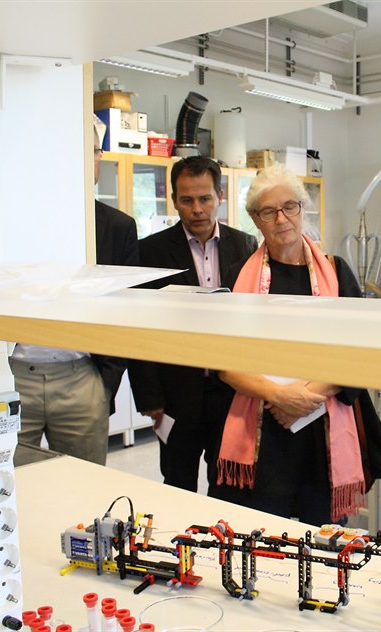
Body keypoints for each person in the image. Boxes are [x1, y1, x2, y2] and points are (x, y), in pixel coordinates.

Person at [212, 165, 365, 526]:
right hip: (263, 435)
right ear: (255, 219)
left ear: (302, 209)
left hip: (321, 433)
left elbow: (360, 355)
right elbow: (224, 364)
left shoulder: (337, 272)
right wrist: (279, 396)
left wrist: (305, 396)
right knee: (263, 536)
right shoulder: (237, 276)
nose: (281, 219)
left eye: (289, 207)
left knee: (323, 540)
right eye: (269, 211)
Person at [10, 115, 138, 465]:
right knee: (6, 485)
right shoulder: (10, 223)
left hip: (82, 376)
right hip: (13, 374)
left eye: (93, 151)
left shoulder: (118, 228)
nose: (86, 160)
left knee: (84, 484)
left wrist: (105, 383)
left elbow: (126, 311)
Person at [128, 156, 258, 491]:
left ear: (220, 197)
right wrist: (150, 398)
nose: (196, 209)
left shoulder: (246, 246)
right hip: (175, 393)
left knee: (228, 485)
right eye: (187, 200)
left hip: (231, 391)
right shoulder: (150, 252)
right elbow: (139, 328)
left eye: (205, 199)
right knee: (177, 482)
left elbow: (255, 321)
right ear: (173, 200)